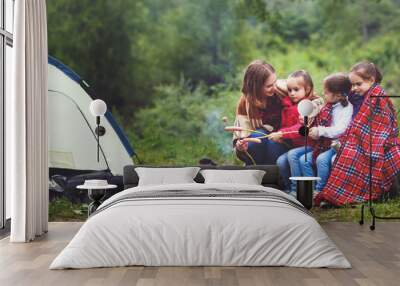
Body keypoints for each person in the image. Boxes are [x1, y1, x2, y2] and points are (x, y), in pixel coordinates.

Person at [315, 62, 400, 206]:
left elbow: (382, 125)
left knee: (349, 156)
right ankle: (337, 195)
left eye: (358, 84)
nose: (354, 89)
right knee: (346, 155)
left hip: (378, 141)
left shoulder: (377, 95)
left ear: (371, 80)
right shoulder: (361, 95)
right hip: (360, 139)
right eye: (352, 85)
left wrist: (356, 137)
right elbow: (342, 98)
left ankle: (342, 195)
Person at [296, 73, 353, 195]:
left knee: (322, 159)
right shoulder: (328, 105)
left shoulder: (346, 108)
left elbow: (340, 130)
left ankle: (320, 190)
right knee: (303, 160)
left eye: (326, 92)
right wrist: (310, 121)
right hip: (323, 143)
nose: (323, 94)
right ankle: (309, 189)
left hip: (337, 144)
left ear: (337, 95)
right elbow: (316, 111)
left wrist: (320, 130)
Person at [269, 70, 323, 194]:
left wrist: (282, 133)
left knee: (292, 155)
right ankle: (288, 188)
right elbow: (286, 126)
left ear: (307, 89)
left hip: (311, 145)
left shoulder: (308, 106)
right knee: (281, 161)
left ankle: (297, 189)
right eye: (289, 90)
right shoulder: (287, 107)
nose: (292, 93)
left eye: (296, 89)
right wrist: (282, 137)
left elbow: (301, 128)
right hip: (297, 146)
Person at [233, 60, 288, 165]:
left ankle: (274, 176)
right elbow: (241, 136)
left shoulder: (283, 88)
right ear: (256, 87)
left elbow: (313, 98)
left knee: (272, 144)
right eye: (269, 86)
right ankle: (256, 172)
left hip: (285, 140)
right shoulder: (245, 104)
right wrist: (241, 147)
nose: (274, 87)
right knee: (255, 139)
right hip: (260, 145)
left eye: (275, 82)